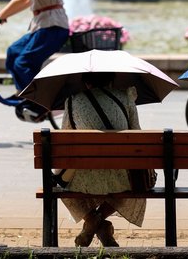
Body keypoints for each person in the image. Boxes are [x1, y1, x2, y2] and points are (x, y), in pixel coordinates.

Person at [60, 72, 146, 247]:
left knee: (60, 183)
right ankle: (100, 223)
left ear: (85, 81)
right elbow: (138, 136)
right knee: (134, 185)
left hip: (82, 179)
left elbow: (64, 140)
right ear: (112, 79)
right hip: (122, 179)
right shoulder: (126, 99)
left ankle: (92, 220)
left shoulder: (72, 101)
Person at [0, 0, 70, 113]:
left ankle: (38, 103)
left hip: (53, 27)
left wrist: (0, 15)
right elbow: (26, 1)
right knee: (13, 52)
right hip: (45, 25)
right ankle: (24, 93)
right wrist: (5, 15)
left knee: (23, 63)